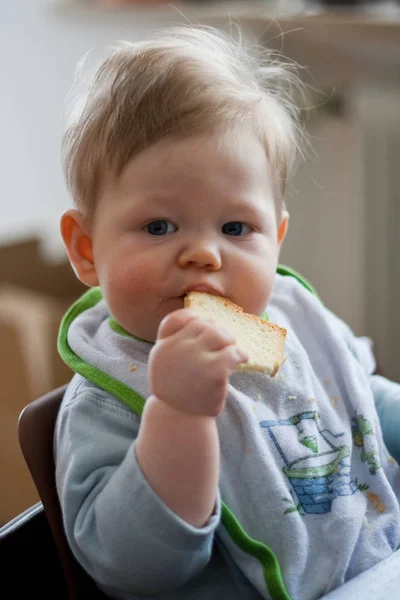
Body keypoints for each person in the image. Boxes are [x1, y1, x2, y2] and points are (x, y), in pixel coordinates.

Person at [55, 25, 400, 600]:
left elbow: (359, 400)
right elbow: (134, 569)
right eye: (159, 226)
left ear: (278, 237)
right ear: (87, 250)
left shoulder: (291, 314)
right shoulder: (108, 397)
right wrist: (178, 415)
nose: (204, 253)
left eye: (236, 228)